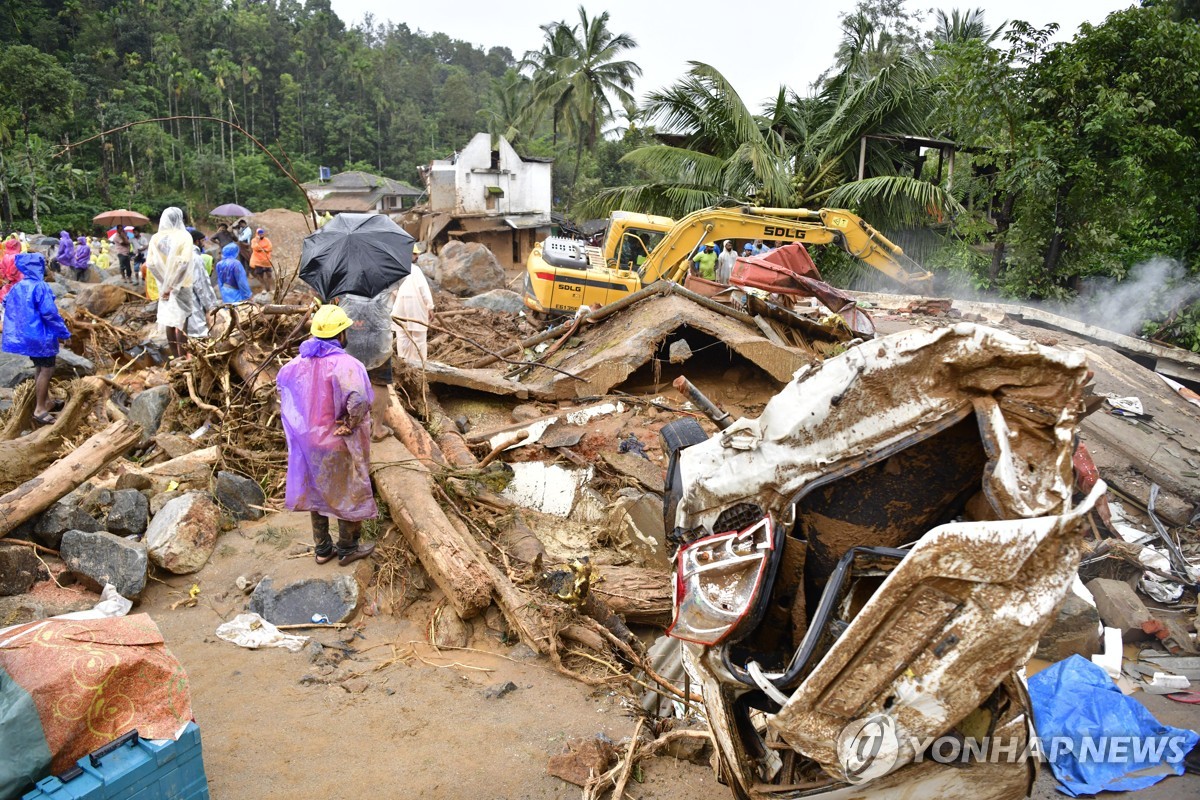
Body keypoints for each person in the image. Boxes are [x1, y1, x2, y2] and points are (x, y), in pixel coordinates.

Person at [277, 305, 377, 567]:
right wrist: (349, 423)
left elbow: (285, 392)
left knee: (315, 490)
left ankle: (322, 549)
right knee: (347, 490)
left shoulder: (296, 364)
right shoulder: (347, 365)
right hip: (338, 442)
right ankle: (347, 548)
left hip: (309, 442)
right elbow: (359, 400)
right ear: (341, 334)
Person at [2, 253, 71, 425]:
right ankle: (40, 408)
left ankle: (45, 401)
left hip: (28, 336)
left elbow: (6, 303)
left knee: (40, 367)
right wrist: (63, 332)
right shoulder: (40, 286)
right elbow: (49, 313)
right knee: (47, 370)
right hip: (42, 335)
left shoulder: (18, 286)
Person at [146, 207, 196, 359]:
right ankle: (184, 356)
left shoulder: (155, 238)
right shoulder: (184, 236)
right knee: (184, 318)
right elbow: (184, 263)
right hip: (183, 285)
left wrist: (165, 284)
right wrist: (173, 285)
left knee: (170, 321)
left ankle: (176, 357)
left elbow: (151, 264)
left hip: (164, 287)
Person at [390, 264, 434, 362]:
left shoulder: (396, 267)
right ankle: (419, 364)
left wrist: (400, 297)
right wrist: (430, 306)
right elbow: (423, 288)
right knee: (419, 337)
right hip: (416, 305)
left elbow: (392, 289)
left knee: (402, 336)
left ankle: (404, 362)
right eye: (414, 253)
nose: (417, 256)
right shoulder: (415, 269)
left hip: (400, 305)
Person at [185, 228, 219, 339]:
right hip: (194, 301)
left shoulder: (182, 256)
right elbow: (201, 285)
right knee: (199, 334)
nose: (204, 244)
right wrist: (210, 306)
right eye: (203, 241)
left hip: (184, 301)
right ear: (196, 241)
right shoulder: (195, 258)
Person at [249, 227, 274, 293]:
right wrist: (258, 242)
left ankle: (270, 288)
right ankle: (264, 289)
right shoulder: (254, 240)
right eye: (259, 233)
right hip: (258, 261)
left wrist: (263, 249)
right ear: (257, 234)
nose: (261, 234)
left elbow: (270, 248)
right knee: (260, 275)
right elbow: (254, 247)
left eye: (262, 233)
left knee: (269, 275)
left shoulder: (267, 240)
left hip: (266, 261)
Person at [0, 237, 23, 306]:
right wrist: (10, 278)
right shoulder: (18, 256)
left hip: (7, 281)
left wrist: (5, 278)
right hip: (17, 280)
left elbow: (2, 268)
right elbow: (14, 270)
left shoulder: (5, 256)